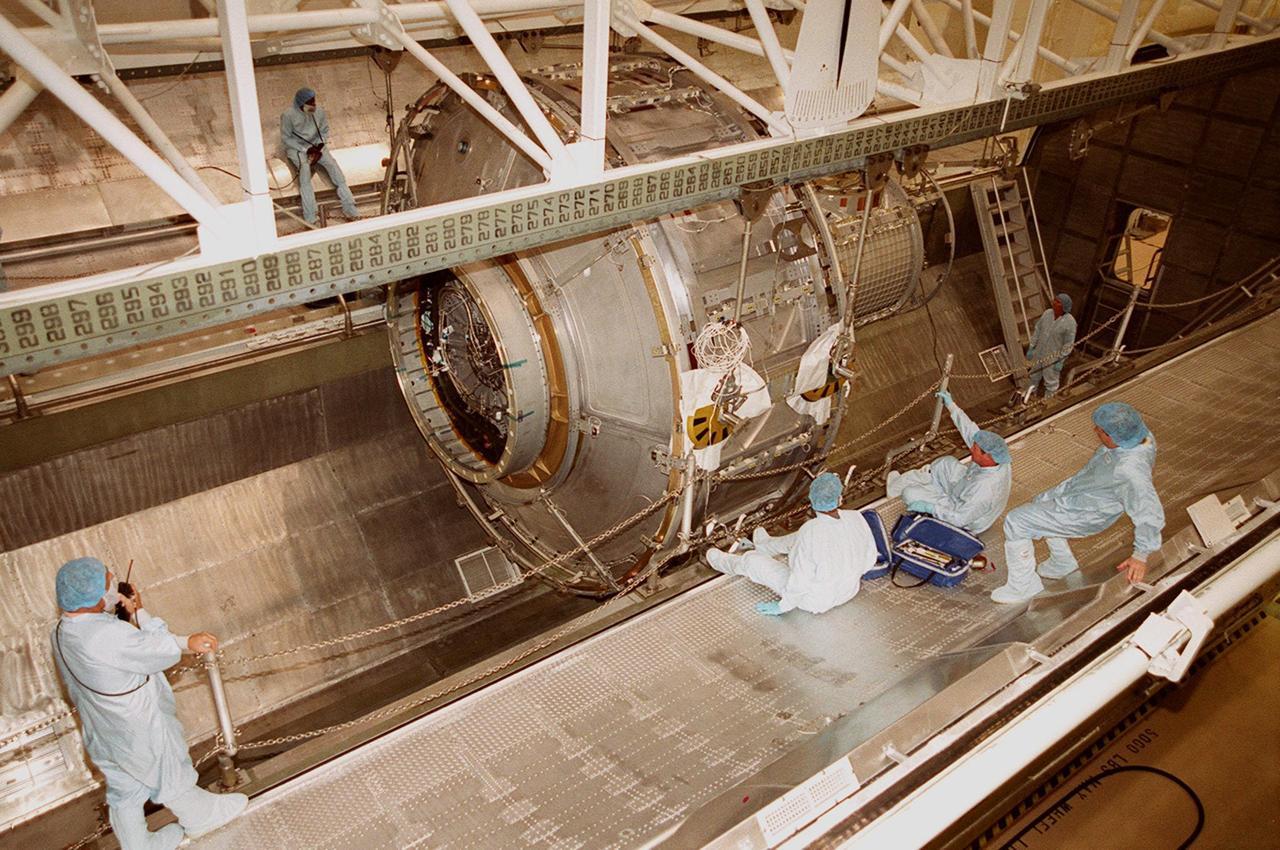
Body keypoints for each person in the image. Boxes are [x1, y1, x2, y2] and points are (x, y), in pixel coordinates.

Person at [51, 558, 247, 850]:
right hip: (137, 722)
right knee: (168, 771)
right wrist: (147, 617)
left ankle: (138, 844)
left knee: (125, 789)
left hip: (103, 728)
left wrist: (127, 616)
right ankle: (202, 816)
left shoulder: (61, 632)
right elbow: (162, 650)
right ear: (90, 597)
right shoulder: (107, 634)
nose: (113, 593)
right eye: (108, 585)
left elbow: (111, 656)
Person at [993, 402, 1164, 604]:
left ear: (1113, 437)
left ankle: (1023, 586)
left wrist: (1141, 555)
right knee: (1041, 502)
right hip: (1084, 491)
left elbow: (1148, 510)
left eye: (1100, 431)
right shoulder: (1139, 437)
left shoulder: (1130, 470)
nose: (1095, 431)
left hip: (1086, 513)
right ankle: (1062, 562)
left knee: (1017, 521)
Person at [705, 472, 878, 616]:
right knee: (801, 539)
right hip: (848, 591)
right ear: (840, 498)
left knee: (752, 561)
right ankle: (765, 545)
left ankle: (715, 558)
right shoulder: (855, 516)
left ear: (811, 500)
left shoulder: (810, 531)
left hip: (814, 600)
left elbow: (800, 580)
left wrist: (783, 606)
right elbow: (869, 558)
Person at [886, 389, 1012, 534]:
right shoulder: (998, 458)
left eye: (975, 449)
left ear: (987, 456)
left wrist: (930, 508)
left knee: (909, 494)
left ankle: (925, 494)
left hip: (963, 515)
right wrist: (952, 405)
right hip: (966, 487)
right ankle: (896, 488)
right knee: (945, 463)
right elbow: (971, 432)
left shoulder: (985, 489)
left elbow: (960, 518)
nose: (971, 448)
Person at [280, 87, 360, 225]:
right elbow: (286, 138)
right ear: (300, 103)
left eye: (314, 101)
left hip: (317, 147)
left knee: (333, 167)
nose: (313, 105)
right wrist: (305, 149)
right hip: (297, 149)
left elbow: (324, 131)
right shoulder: (288, 115)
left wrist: (319, 147)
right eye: (309, 102)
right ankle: (311, 217)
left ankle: (350, 207)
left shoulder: (319, 112)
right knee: (304, 173)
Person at [1024, 292, 1078, 398]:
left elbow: (1068, 344)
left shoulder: (1070, 322)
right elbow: (1038, 330)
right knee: (1033, 376)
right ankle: (1029, 397)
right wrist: (1032, 347)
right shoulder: (1047, 313)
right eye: (1055, 300)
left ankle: (1048, 401)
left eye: (1058, 302)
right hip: (1039, 353)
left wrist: (1061, 360)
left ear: (1064, 306)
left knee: (1051, 381)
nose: (1054, 302)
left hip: (1053, 357)